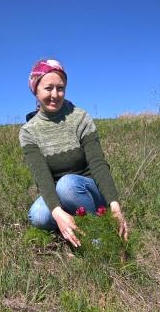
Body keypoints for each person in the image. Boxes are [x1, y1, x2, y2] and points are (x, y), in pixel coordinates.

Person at [19, 59, 128, 248]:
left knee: (67, 185)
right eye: (48, 88)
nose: (55, 94)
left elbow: (98, 163)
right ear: (35, 90)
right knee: (37, 215)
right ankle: (72, 225)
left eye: (60, 88)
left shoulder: (80, 118)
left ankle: (99, 233)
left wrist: (114, 203)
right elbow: (42, 176)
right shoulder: (28, 131)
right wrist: (57, 212)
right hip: (59, 193)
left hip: (87, 190)